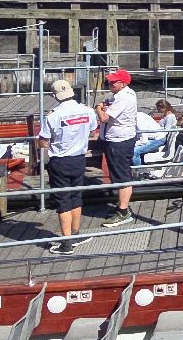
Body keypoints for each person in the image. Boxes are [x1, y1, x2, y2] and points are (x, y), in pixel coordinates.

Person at [37, 78, 98, 254]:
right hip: (79, 159)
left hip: (60, 161)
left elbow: (43, 142)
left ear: (54, 95)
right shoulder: (87, 110)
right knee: (76, 196)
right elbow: (92, 131)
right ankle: (75, 233)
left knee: (63, 201)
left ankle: (66, 243)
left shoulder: (53, 116)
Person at [95, 69, 139, 227]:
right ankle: (122, 205)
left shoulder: (123, 98)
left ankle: (123, 211)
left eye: (114, 82)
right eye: (110, 81)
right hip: (117, 140)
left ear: (123, 83)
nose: (110, 83)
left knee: (122, 176)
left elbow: (104, 118)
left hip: (119, 141)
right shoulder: (122, 95)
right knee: (118, 174)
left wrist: (98, 107)